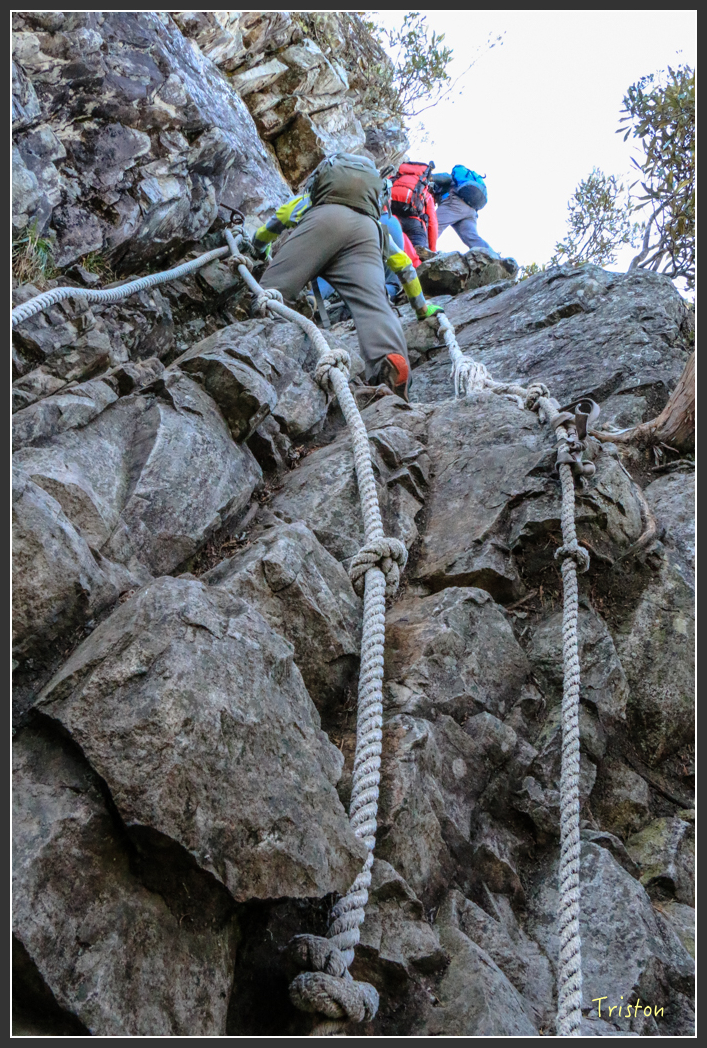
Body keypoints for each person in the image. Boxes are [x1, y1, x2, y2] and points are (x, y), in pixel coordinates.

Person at [249, 153, 444, 402]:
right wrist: (422, 309)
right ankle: (388, 361)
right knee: (374, 306)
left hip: (323, 221)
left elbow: (276, 222)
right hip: (366, 236)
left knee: (271, 290)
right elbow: (405, 265)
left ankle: (252, 339)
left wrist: (257, 247)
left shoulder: (312, 200)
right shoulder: (377, 224)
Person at [432, 168, 500, 258]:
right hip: (471, 211)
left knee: (432, 226)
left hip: (454, 204)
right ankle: (494, 257)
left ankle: (419, 250)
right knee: (472, 237)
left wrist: (428, 176)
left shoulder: (442, 178)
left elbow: (446, 177)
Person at [389, 161, 438, 252]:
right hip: (414, 226)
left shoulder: (393, 181)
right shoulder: (424, 193)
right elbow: (432, 223)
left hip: (390, 219)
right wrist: (432, 250)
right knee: (416, 257)